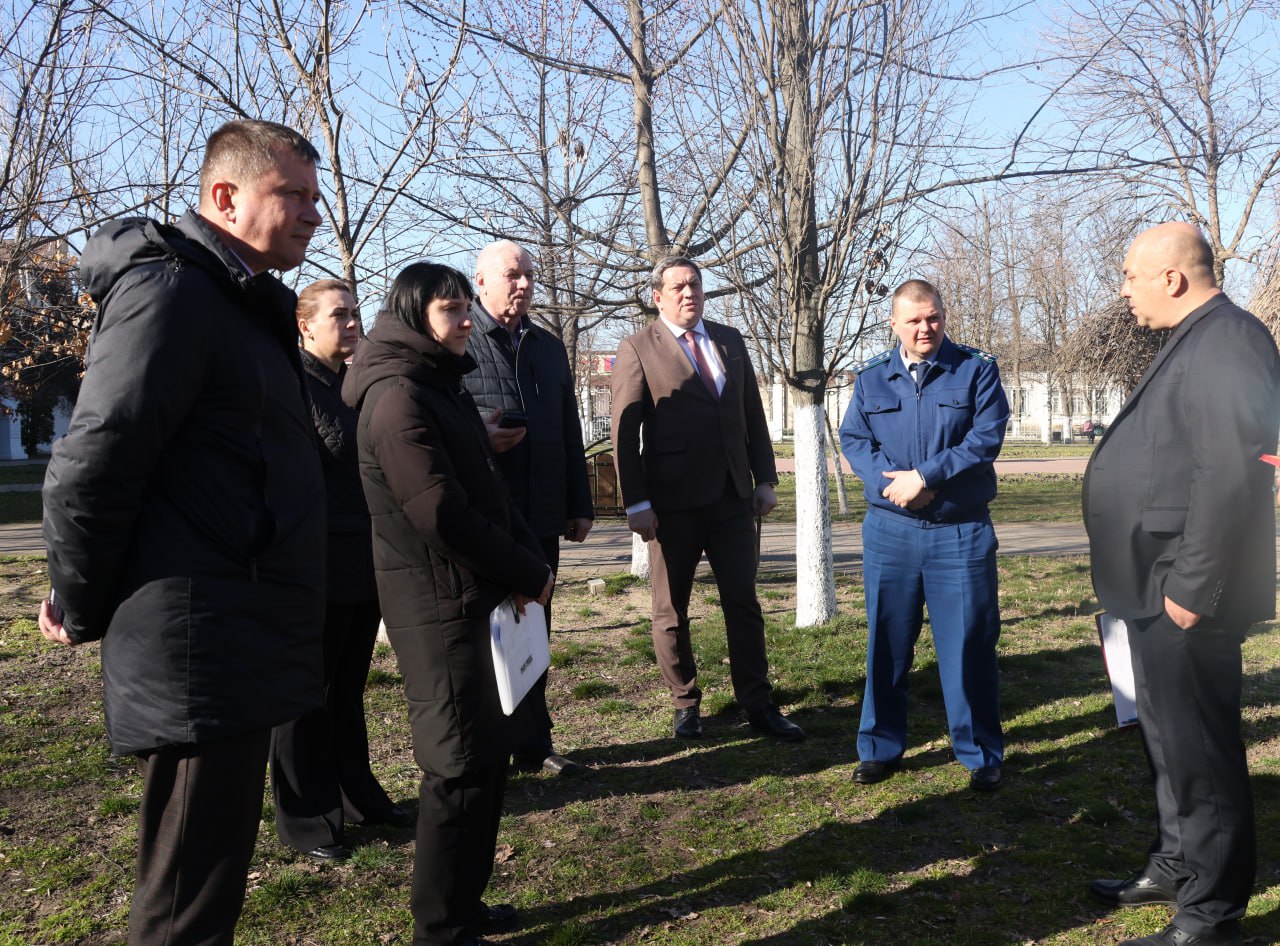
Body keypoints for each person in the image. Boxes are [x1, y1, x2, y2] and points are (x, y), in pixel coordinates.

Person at [37, 119, 326, 945]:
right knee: (183, 907)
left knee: (207, 887)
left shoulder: (237, 302)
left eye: (316, 198)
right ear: (225, 198)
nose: (313, 215)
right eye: (293, 195)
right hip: (201, 645)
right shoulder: (173, 293)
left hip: (238, 630)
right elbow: (94, 463)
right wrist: (78, 601)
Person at [343, 262, 553, 946]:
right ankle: (439, 926)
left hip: (473, 598)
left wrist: (528, 560)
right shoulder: (397, 397)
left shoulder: (437, 383)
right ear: (414, 315)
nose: (466, 320)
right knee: (457, 766)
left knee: (485, 759)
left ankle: (464, 904)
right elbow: (440, 513)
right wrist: (522, 567)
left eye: (467, 306)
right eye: (450, 309)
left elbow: (486, 490)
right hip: (438, 606)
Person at [1083, 222, 1279, 946]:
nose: (1124, 290)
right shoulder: (1194, 337)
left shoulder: (1228, 340)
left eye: (1130, 276)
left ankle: (1211, 915)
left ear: (1172, 278)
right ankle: (1177, 864)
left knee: (1201, 755)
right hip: (1152, 584)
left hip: (1184, 591)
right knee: (1167, 742)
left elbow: (1231, 474)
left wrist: (1192, 591)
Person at [610, 255, 803, 742]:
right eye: (677, 287)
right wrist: (636, 504)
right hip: (671, 505)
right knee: (671, 609)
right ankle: (685, 704)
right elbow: (623, 434)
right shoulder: (638, 348)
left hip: (732, 499)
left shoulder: (729, 340)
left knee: (743, 602)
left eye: (694, 284)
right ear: (658, 297)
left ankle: (758, 704)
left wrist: (765, 478)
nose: (688, 293)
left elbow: (752, 413)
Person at [838, 279, 1008, 792]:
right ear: (894, 323)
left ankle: (979, 753)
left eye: (933, 317)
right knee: (886, 643)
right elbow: (855, 439)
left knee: (969, 645)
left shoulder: (976, 369)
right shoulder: (871, 377)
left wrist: (926, 477)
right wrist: (894, 486)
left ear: (943, 316)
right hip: (891, 530)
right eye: (913, 320)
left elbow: (985, 438)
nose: (924, 328)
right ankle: (879, 747)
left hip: (959, 530)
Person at [269, 280, 411, 862]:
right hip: (311, 564)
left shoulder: (355, 386)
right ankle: (306, 818)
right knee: (307, 693)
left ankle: (356, 795)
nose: (353, 323)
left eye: (356, 313)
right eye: (339, 315)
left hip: (363, 558)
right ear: (304, 325)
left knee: (347, 689)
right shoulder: (289, 385)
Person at [462, 240, 594, 777]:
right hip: (484, 518)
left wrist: (578, 503)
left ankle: (535, 744)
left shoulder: (547, 346)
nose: (524, 285)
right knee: (485, 637)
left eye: (530, 276)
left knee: (534, 628)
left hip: (539, 516)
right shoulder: (459, 341)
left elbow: (568, 430)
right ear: (480, 281)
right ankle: (488, 746)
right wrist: (478, 438)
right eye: (512, 275)